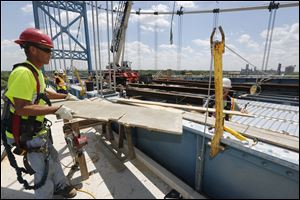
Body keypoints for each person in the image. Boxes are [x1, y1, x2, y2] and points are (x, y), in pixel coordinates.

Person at [4, 27, 78, 199]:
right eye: (47, 50)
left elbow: (44, 93)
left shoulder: (35, 71)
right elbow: (21, 107)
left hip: (35, 129)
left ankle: (61, 186)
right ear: (33, 49)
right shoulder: (23, 73)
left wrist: (65, 96)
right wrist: (56, 109)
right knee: (43, 170)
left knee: (53, 157)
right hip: (25, 133)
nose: (50, 54)